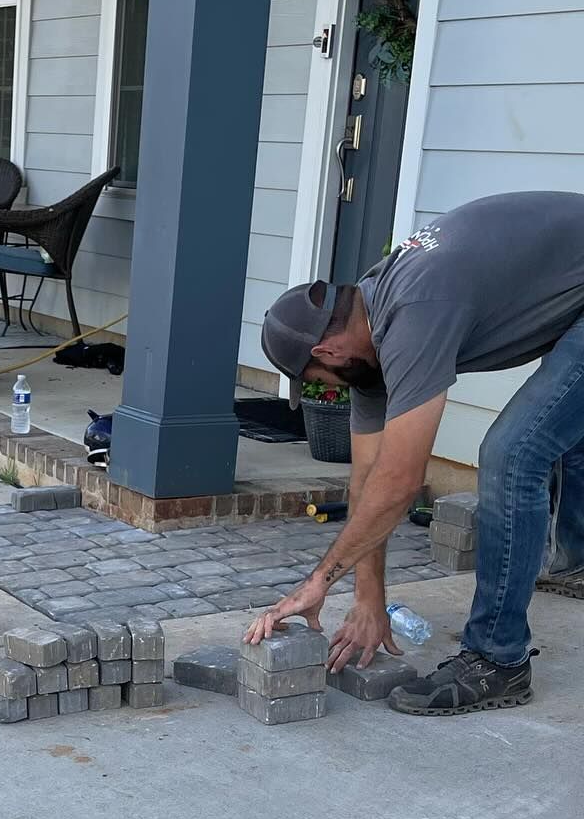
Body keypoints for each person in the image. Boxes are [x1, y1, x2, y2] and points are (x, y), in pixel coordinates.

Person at [247, 192, 584, 716]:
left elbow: (402, 483)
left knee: (513, 452)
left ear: (326, 352)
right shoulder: (367, 334)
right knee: (562, 423)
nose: (324, 393)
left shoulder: (413, 313)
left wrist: (318, 582)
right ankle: (577, 561)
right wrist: (366, 600)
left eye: (315, 382)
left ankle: (499, 661)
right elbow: (369, 483)